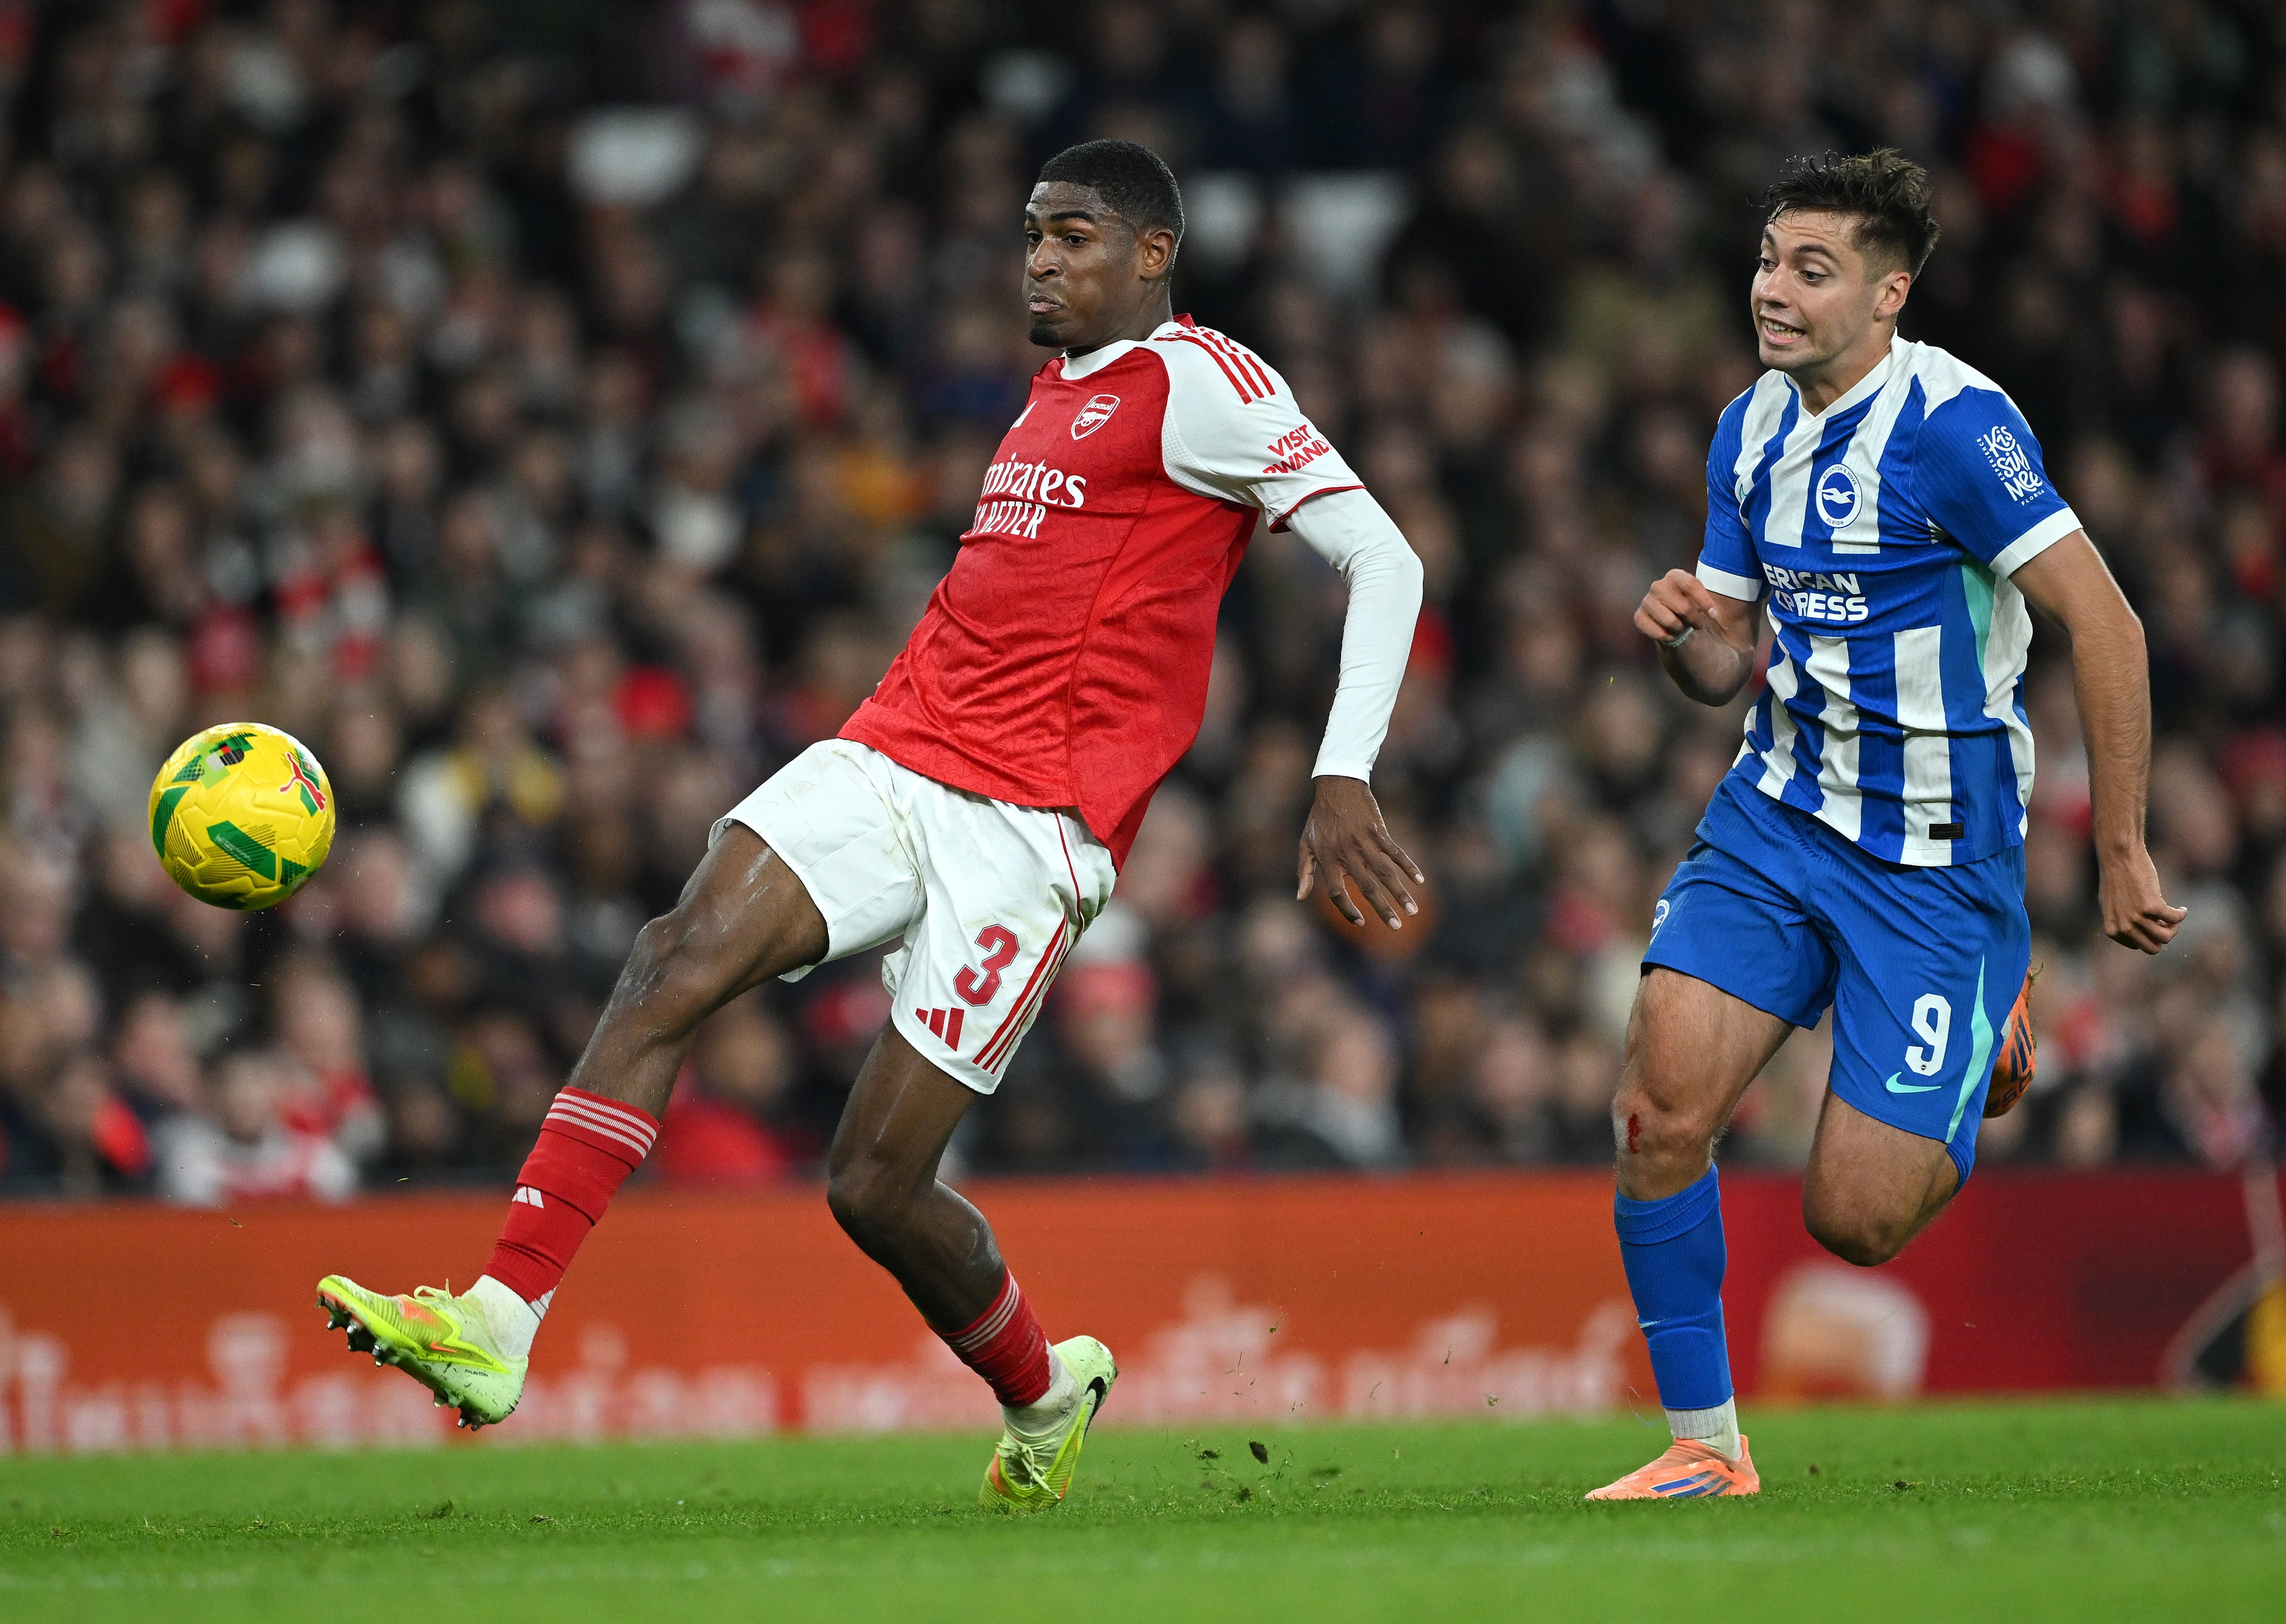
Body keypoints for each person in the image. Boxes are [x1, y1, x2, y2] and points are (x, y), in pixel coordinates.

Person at [314, 140, 1425, 1508]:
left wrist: (1341, 772)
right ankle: (499, 1320)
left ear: (1152, 253)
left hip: (1031, 830)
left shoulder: (1201, 384)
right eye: (1031, 234)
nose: (1038, 261)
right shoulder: (1049, 394)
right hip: (893, 751)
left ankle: (1042, 1388)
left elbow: (1384, 557)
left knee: (874, 1186)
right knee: (672, 956)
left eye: (1073, 236)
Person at [1593, 150, 2185, 1500]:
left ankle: (1990, 1023)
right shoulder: (1747, 428)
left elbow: (2107, 625)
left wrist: (2119, 848)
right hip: (1775, 817)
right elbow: (1728, 662)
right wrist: (1687, 638)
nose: (1771, 289)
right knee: (1652, 1110)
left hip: (1931, 865)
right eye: (1765, 260)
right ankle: (1704, 1447)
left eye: (1810, 270)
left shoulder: (1955, 431)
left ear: (1886, 295)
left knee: (1852, 1223)